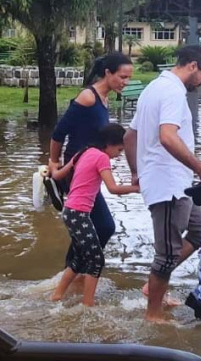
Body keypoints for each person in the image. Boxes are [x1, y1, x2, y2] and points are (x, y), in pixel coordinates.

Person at [124, 45, 201, 323]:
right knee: (166, 254)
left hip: (177, 184)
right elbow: (167, 137)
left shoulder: (154, 87)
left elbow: (131, 136)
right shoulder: (173, 92)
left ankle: (152, 287)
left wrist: (135, 171)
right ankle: (153, 315)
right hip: (167, 185)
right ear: (193, 66)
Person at [47, 53, 134, 264]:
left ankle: (76, 271)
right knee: (104, 226)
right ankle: (77, 270)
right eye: (122, 77)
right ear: (107, 73)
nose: (126, 82)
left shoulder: (104, 99)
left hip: (90, 169)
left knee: (92, 225)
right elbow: (59, 133)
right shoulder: (88, 97)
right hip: (76, 170)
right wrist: (54, 163)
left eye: (128, 78)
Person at [50, 123, 139, 306]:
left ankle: (57, 296)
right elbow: (113, 188)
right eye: (119, 149)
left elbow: (57, 176)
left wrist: (51, 166)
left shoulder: (83, 152)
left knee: (79, 258)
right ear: (109, 144)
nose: (119, 154)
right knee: (96, 260)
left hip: (69, 211)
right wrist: (138, 189)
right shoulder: (101, 157)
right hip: (79, 214)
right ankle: (88, 305)